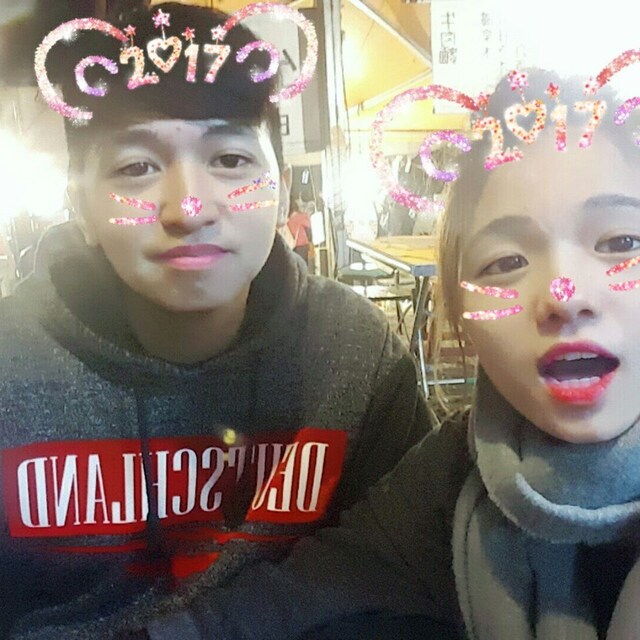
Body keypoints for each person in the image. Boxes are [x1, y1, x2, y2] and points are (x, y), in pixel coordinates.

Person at [131, 68, 640, 639]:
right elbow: (305, 588)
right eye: (505, 263)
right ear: (461, 316)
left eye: (621, 242)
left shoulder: (357, 350)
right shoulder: (455, 475)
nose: (564, 295)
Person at [0, 4, 430, 638]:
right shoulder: (12, 367)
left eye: (230, 160)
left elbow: (408, 581)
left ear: (281, 189)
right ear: (80, 206)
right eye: (136, 168)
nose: (189, 208)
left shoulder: (356, 357)